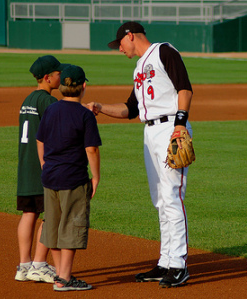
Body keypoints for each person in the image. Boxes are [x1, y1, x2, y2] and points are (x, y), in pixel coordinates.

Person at [89, 21, 193, 288]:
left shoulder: (164, 52)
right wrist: (99, 107)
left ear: (130, 36)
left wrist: (180, 124)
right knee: (159, 199)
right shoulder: (139, 67)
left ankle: (179, 265)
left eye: (119, 44)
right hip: (150, 132)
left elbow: (184, 88)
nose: (119, 49)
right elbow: (130, 109)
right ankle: (165, 261)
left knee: (172, 197)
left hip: (171, 126)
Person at [36, 64, 101, 291]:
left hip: (50, 177)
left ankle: (60, 275)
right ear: (83, 86)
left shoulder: (51, 109)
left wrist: (44, 164)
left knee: (52, 226)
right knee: (71, 226)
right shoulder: (85, 115)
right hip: (73, 178)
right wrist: (96, 176)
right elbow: (91, 149)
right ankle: (64, 278)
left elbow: (40, 140)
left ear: (62, 85)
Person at [15, 55, 67, 283]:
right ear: (47, 78)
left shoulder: (28, 99)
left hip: (26, 168)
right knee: (51, 215)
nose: (61, 76)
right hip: (43, 169)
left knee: (29, 214)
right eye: (57, 74)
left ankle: (24, 265)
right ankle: (38, 263)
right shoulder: (47, 102)